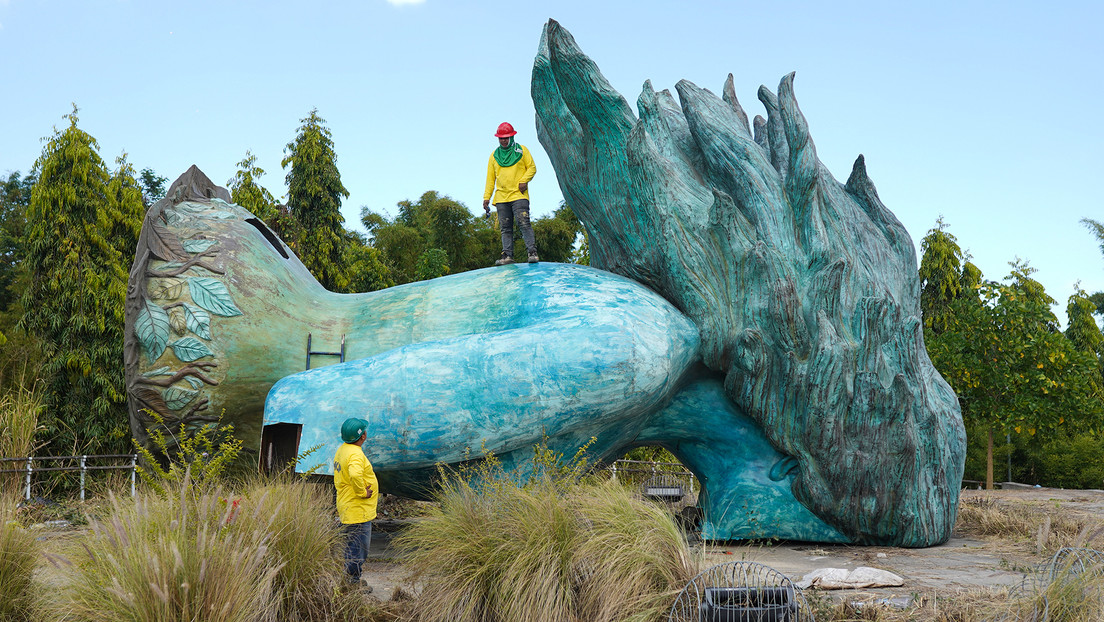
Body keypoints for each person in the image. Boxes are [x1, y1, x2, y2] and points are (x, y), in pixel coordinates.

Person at [483, 121, 539, 265]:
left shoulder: (522, 151)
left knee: (523, 223)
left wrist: (524, 180)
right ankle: (507, 255)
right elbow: (490, 179)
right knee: (505, 228)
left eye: (506, 138)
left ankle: (532, 252)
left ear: (512, 137)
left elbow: (532, 168)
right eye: (501, 138)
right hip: (501, 197)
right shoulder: (494, 156)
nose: (503, 141)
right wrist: (486, 197)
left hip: (519, 195)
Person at [333, 416, 379, 585]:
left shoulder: (343, 449)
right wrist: (363, 492)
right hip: (357, 509)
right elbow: (354, 474)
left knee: (352, 544)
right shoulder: (355, 454)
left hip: (348, 504)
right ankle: (352, 582)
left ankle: (349, 578)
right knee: (358, 547)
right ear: (363, 436)